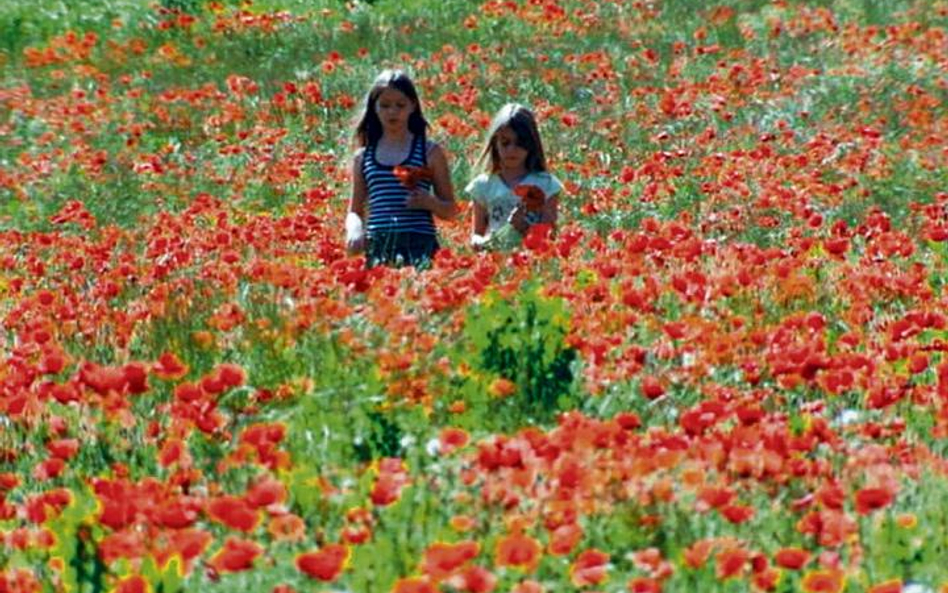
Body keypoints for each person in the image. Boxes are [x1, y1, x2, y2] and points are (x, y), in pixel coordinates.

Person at [345, 69, 457, 267]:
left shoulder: (429, 152)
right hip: (379, 244)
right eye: (385, 105)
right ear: (374, 108)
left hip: (420, 244)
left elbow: (450, 210)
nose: (392, 112)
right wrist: (354, 230)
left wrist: (429, 202)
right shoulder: (363, 157)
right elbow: (355, 210)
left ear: (412, 106)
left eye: (400, 105)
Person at [467, 103, 562, 250]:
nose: (512, 150)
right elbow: (476, 234)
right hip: (495, 260)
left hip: (530, 261)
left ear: (531, 144)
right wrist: (481, 242)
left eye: (520, 143)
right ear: (495, 143)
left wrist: (525, 228)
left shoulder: (546, 184)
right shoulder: (483, 185)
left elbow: (550, 236)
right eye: (505, 143)